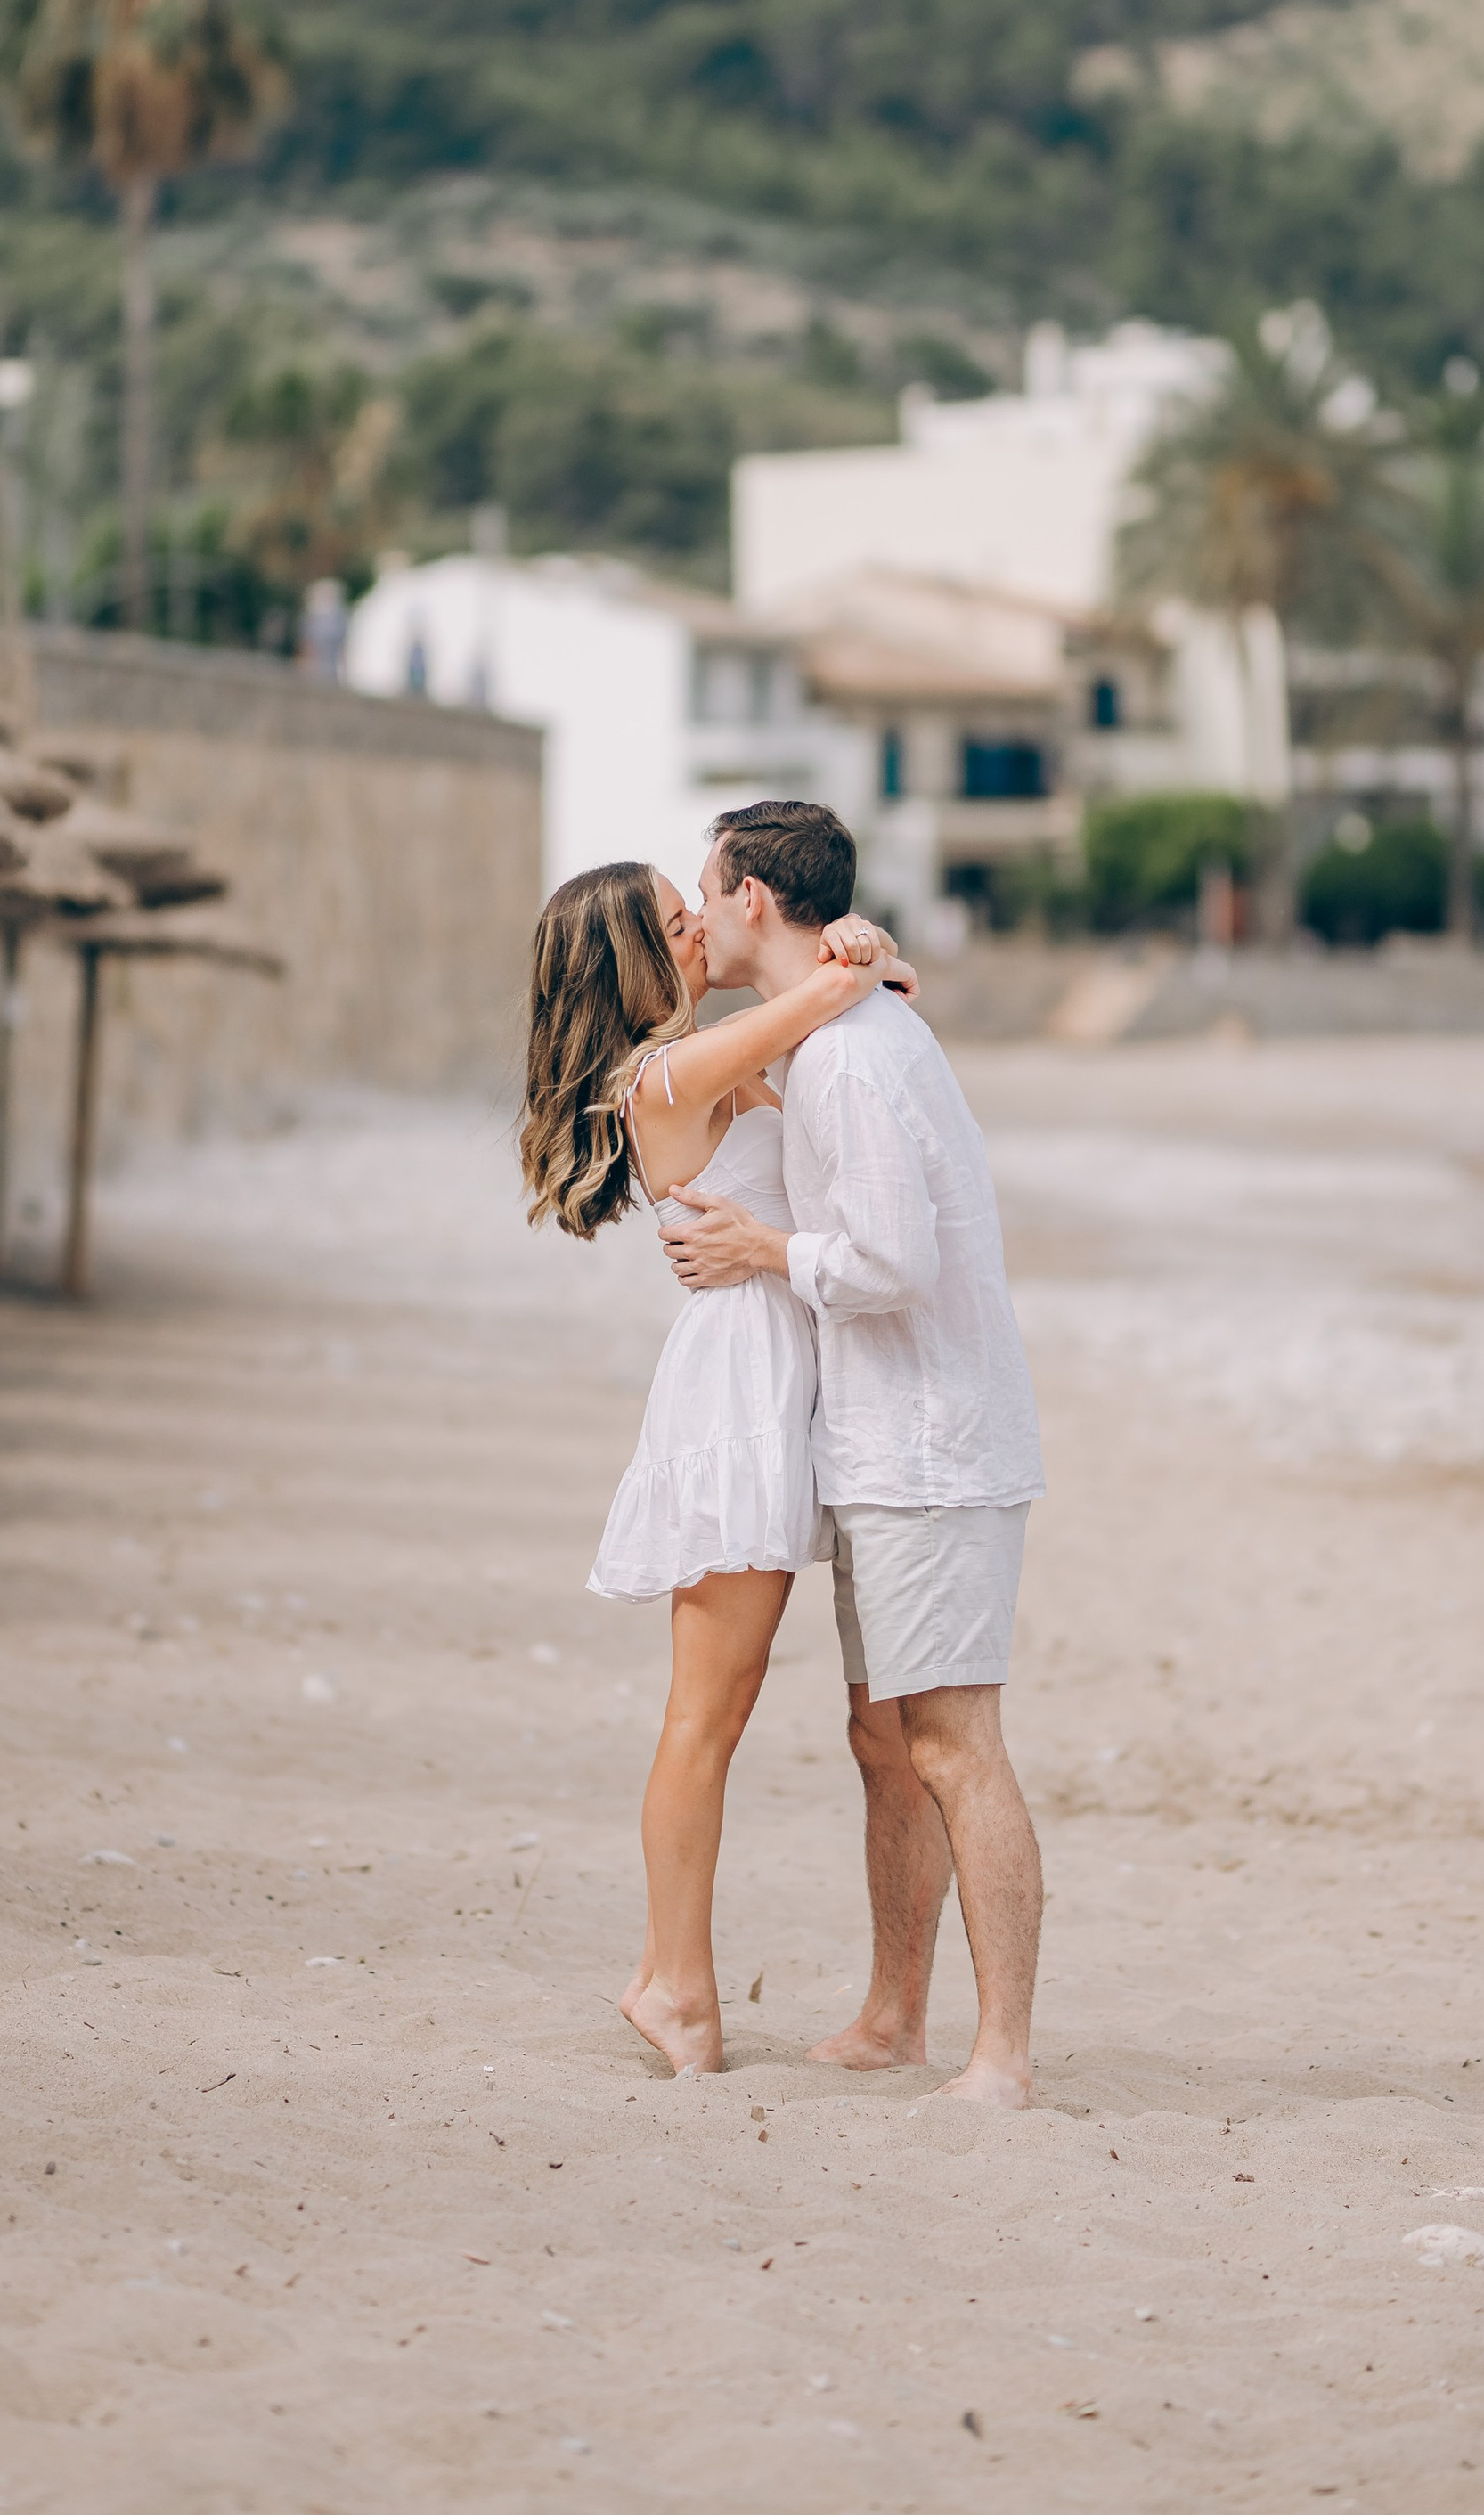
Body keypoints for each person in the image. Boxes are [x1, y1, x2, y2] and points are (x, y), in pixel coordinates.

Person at [660, 799, 1047, 2108]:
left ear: (755, 899)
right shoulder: (844, 1023)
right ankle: (895, 2019)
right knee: (885, 1738)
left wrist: (763, 1253)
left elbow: (892, 1261)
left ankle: (1001, 2057)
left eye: (709, 893)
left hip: (932, 1445)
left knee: (952, 1743)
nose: (700, 920)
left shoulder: (850, 1057)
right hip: (884, 1439)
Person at [518, 859, 911, 2078]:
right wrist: (856, 951)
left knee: (717, 1713)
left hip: (772, 1371)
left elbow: (847, 1006)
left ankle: (669, 1979)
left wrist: (864, 955)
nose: (704, 938)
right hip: (738, 1389)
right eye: (681, 928)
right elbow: (834, 994)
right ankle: (675, 1986)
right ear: (634, 958)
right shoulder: (671, 1071)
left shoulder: (711, 1056)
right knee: (708, 1715)